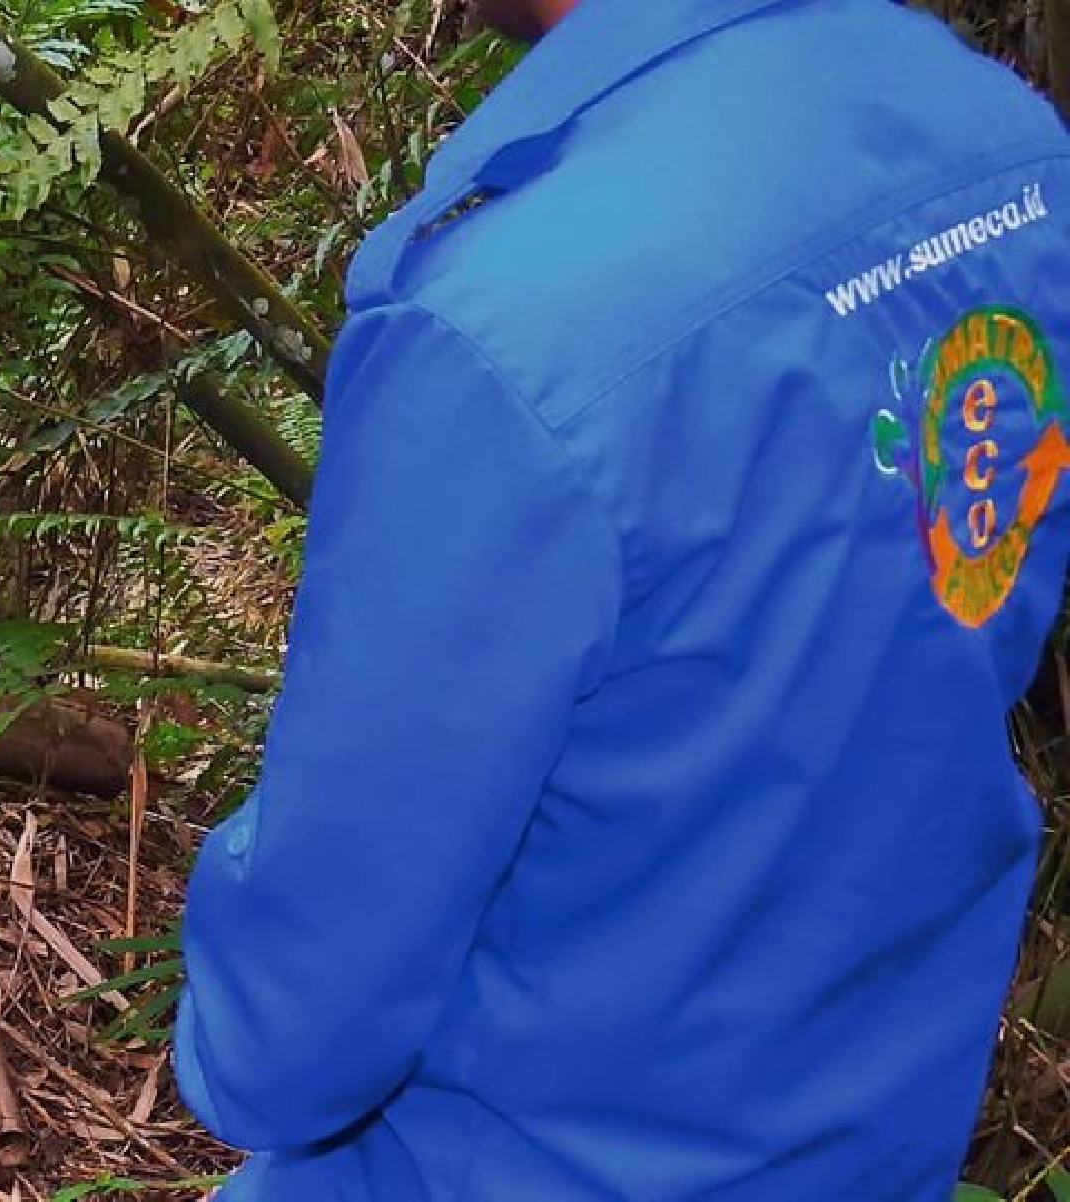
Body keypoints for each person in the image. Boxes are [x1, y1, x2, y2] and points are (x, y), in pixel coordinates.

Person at [173, 0, 1070, 1197]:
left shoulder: (505, 337)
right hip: (870, 1136)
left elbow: (294, 1034)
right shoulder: (1008, 145)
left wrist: (234, 1029)